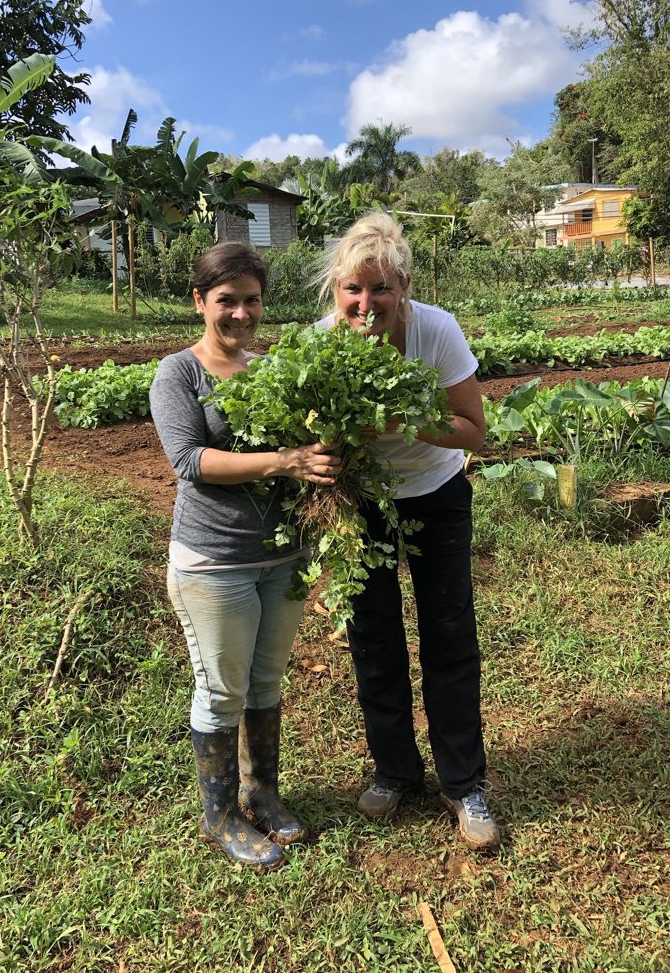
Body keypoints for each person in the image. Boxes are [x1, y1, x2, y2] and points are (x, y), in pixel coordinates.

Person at [150, 242, 341, 872]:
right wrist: (285, 461)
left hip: (283, 558)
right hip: (214, 563)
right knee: (222, 689)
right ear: (200, 302)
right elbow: (191, 462)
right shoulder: (179, 375)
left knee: (264, 682)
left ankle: (262, 792)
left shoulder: (269, 370)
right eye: (225, 300)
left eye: (251, 300)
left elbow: (307, 444)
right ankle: (220, 815)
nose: (239, 314)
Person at [316, 212, 500, 850]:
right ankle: (395, 771)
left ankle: (464, 783)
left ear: (405, 290)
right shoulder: (322, 343)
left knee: (448, 636)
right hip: (362, 504)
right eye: (352, 291)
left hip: (436, 495)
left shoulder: (436, 332)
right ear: (337, 292)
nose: (366, 304)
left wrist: (398, 419)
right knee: (373, 639)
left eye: (380, 290)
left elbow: (474, 431)